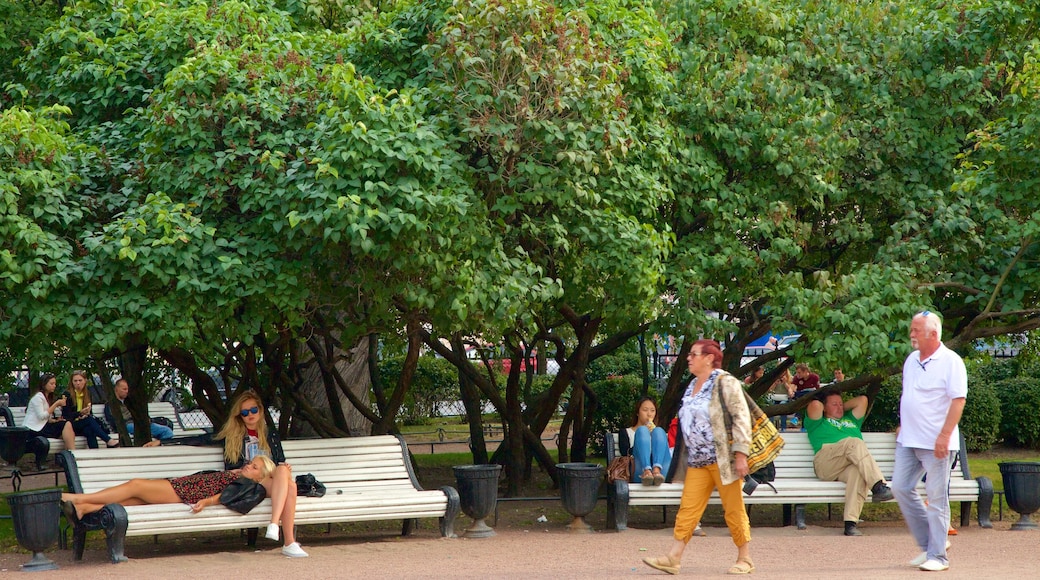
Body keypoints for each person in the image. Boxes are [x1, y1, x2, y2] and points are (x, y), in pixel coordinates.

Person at [643, 339, 754, 575]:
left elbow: (741, 416)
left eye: (694, 354)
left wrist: (741, 454)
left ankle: (745, 558)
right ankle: (673, 557)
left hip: (723, 459)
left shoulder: (725, 382)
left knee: (733, 509)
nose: (689, 358)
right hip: (697, 460)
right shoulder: (693, 383)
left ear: (709, 358)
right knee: (688, 509)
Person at [892, 310, 966, 572]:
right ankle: (932, 545)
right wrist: (904, 423)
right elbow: (910, 395)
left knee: (937, 498)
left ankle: (939, 557)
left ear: (933, 335)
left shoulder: (951, 362)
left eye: (916, 330)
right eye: (911, 329)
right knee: (900, 487)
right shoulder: (911, 360)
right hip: (909, 440)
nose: (911, 334)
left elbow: (958, 400)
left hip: (937, 442)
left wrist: (945, 435)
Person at [216, 390, 306, 558]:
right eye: (244, 412)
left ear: (261, 410)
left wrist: (284, 466)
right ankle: (288, 541)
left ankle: (276, 527)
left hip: (271, 479)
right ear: (239, 416)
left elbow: (280, 461)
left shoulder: (270, 433)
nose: (250, 415)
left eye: (253, 410)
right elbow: (202, 439)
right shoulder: (232, 436)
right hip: (249, 483)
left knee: (284, 473)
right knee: (291, 487)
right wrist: (162, 441)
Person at [60, 455, 274, 521]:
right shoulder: (239, 475)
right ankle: (84, 508)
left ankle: (78, 498)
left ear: (260, 476)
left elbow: (225, 496)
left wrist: (207, 502)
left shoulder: (249, 486)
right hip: (183, 487)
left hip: (183, 491)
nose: (248, 465)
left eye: (254, 467)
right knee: (132, 500)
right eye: (250, 462)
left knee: (135, 485)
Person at [804, 392, 894, 536]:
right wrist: (827, 407)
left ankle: (850, 524)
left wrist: (839, 407)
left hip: (847, 463)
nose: (839, 407)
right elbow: (815, 405)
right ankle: (878, 486)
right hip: (826, 462)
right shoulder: (818, 422)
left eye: (841, 404)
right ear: (824, 408)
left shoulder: (851, 420)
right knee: (854, 442)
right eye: (834, 404)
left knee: (859, 473)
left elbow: (863, 400)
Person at [618, 397, 671, 486]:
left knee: (659, 431)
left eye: (652, 411)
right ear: (637, 413)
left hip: (662, 472)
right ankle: (647, 471)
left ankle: (656, 470)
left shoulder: (659, 434)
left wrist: (653, 436)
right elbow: (625, 453)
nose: (649, 414)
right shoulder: (626, 432)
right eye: (645, 410)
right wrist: (643, 437)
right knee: (642, 430)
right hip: (638, 470)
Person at [105, 378, 173, 445]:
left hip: (140, 423)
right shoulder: (111, 404)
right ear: (116, 389)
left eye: (128, 389)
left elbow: (142, 413)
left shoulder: (131, 401)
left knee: (167, 432)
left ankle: (156, 447)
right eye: (124, 389)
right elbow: (112, 420)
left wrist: (146, 419)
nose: (127, 391)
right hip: (127, 426)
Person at [61, 370, 119, 449]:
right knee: (89, 420)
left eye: (80, 380)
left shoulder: (87, 393)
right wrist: (80, 413)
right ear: (72, 382)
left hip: (83, 423)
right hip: (70, 426)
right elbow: (66, 416)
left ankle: (95, 454)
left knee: (89, 430)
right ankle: (108, 440)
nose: (78, 383)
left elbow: (89, 413)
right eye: (75, 381)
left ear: (85, 381)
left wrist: (86, 414)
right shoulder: (67, 394)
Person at [22, 373, 76, 451]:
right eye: (51, 384)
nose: (54, 386)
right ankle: (72, 452)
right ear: (44, 385)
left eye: (55, 384)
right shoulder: (38, 398)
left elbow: (47, 419)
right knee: (66, 425)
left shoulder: (47, 397)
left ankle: (68, 454)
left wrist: (55, 420)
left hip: (42, 427)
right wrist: (56, 404)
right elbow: (42, 416)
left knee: (66, 426)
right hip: (34, 430)